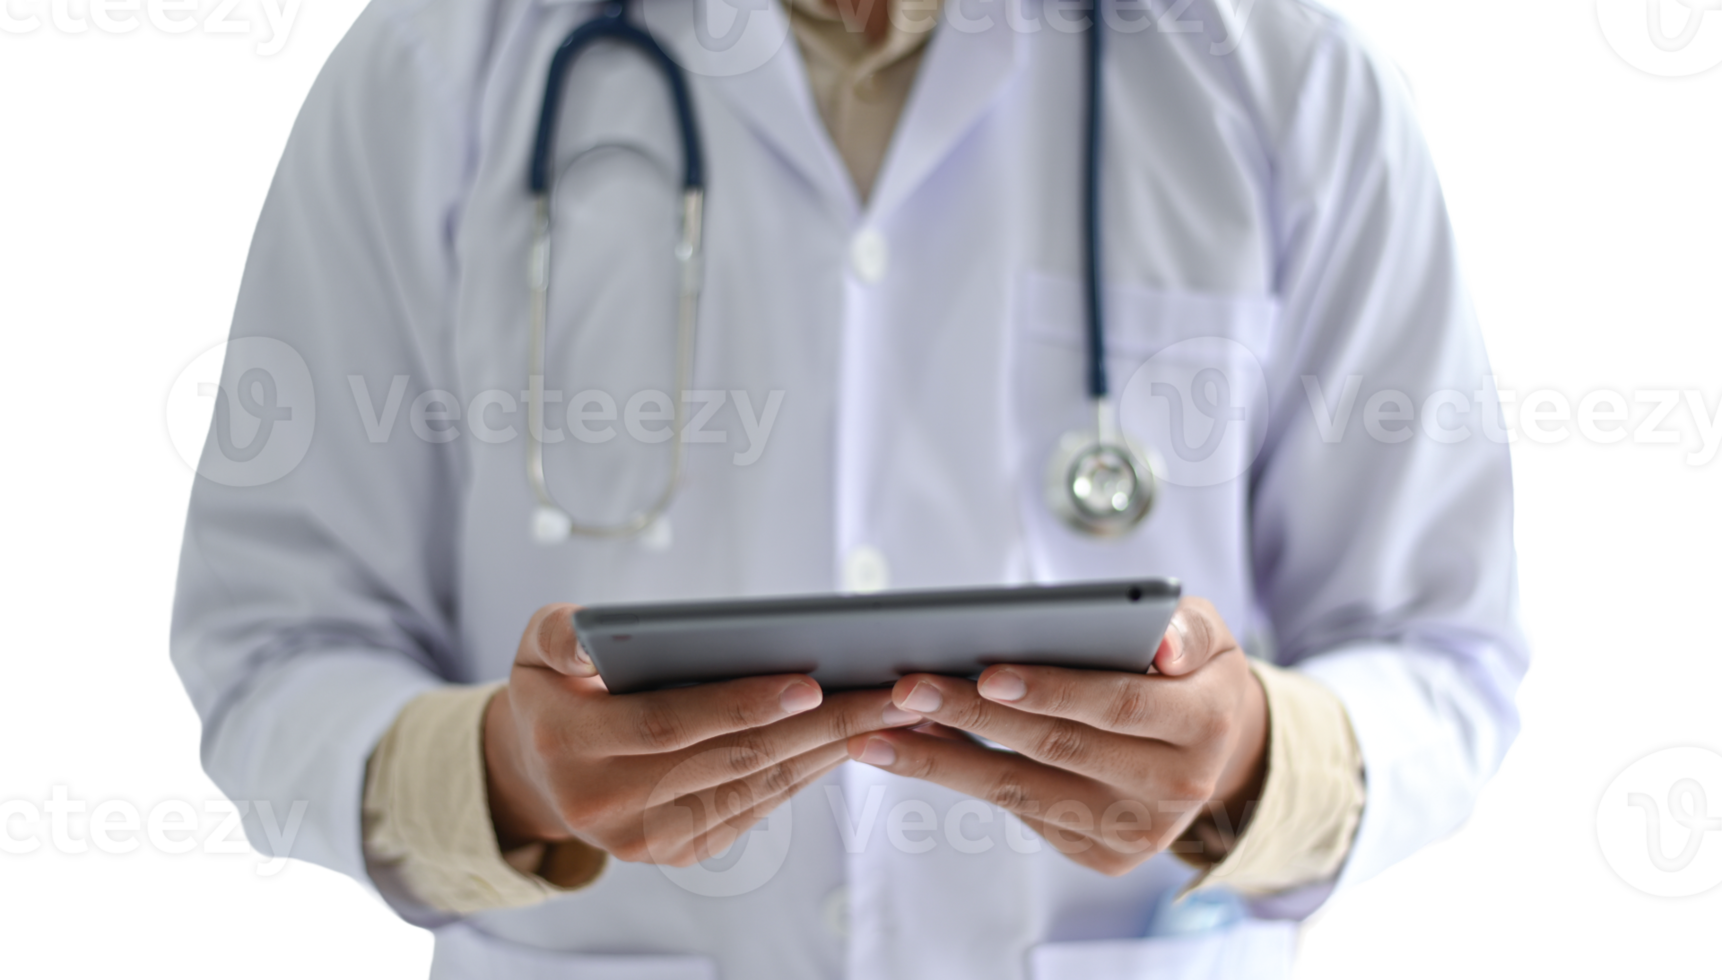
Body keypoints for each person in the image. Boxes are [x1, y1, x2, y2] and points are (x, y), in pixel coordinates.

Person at [166, 0, 1534, 977]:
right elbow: (270, 647)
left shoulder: (1293, 68)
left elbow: (1447, 658)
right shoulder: (425, 60)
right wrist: (506, 778)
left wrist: (1244, 761)